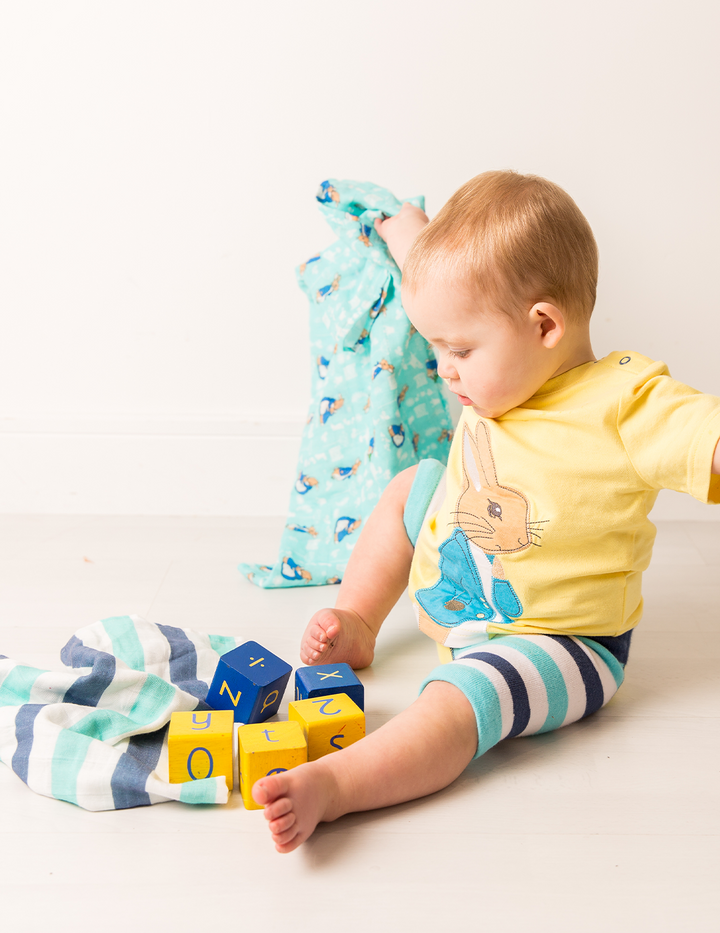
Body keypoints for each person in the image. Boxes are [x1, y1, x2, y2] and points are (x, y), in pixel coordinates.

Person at [251, 171, 720, 853]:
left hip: (559, 643)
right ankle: (359, 619)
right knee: (413, 485)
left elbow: (703, 439)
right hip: (468, 576)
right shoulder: (497, 362)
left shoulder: (626, 403)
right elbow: (442, 275)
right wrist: (398, 225)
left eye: (460, 351)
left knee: (457, 701)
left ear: (545, 326)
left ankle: (340, 785)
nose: (444, 369)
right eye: (439, 348)